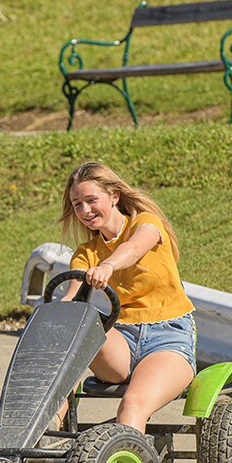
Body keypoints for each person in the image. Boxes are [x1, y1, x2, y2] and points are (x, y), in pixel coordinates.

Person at [59, 161, 196, 433]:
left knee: (132, 405)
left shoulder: (146, 224)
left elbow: (133, 249)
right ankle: (41, 441)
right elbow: (71, 295)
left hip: (168, 336)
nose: (85, 210)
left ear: (114, 197)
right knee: (72, 337)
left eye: (91, 200)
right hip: (121, 341)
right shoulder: (86, 252)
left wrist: (109, 265)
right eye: (77, 205)